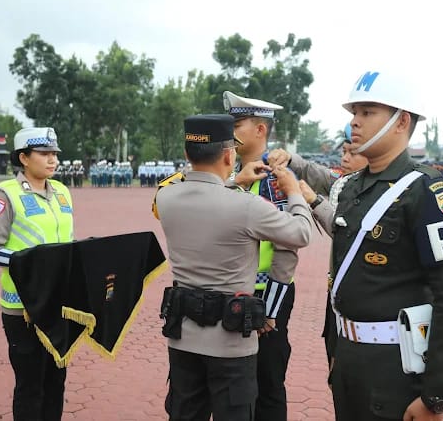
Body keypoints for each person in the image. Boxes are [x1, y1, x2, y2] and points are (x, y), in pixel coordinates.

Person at [329, 69, 443, 421]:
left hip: (396, 369)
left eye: (367, 112)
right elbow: (340, 278)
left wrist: (436, 395)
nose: (355, 122)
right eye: (354, 112)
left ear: (401, 121)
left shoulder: (428, 191)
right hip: (349, 361)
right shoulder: (351, 188)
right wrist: (336, 350)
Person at [155, 114, 313, 421]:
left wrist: (234, 181)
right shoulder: (246, 207)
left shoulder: (166, 197)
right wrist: (294, 192)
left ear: (187, 153)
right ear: (229, 155)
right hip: (230, 342)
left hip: (183, 336)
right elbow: (301, 234)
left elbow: (203, 192)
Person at [0, 127, 74, 421]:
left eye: (54, 153)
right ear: (23, 157)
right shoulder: (6, 194)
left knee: (56, 382)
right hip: (22, 308)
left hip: (58, 305)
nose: (52, 159)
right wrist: (28, 262)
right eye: (44, 153)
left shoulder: (62, 192)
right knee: (30, 385)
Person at [223, 90, 302, 421]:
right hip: (232, 293)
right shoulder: (232, 175)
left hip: (265, 295)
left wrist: (269, 307)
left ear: (260, 130)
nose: (230, 132)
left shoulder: (275, 177)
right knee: (233, 386)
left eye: (237, 125)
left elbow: (286, 247)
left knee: (267, 384)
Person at [267, 123, 369, 376]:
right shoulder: (346, 182)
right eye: (343, 151)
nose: (344, 158)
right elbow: (316, 173)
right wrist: (290, 159)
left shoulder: (379, 191)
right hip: (337, 292)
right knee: (335, 359)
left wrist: (313, 200)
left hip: (363, 295)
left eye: (353, 153)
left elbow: (349, 232)